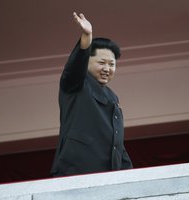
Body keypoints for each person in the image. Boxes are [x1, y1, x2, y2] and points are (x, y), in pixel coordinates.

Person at [51, 12, 133, 177]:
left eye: (112, 64)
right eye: (101, 63)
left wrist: (127, 173)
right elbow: (76, 66)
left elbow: (117, 143)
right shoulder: (77, 83)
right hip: (77, 171)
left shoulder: (113, 98)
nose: (107, 69)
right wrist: (86, 37)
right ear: (86, 61)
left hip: (109, 176)